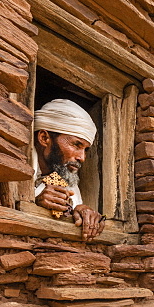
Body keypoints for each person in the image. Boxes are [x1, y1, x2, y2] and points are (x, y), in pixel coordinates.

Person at [32, 99, 104, 240]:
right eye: (77, 145)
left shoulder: (69, 182)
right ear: (44, 138)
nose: (82, 158)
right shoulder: (18, 162)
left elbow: (72, 211)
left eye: (85, 150)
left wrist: (80, 211)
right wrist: (35, 201)